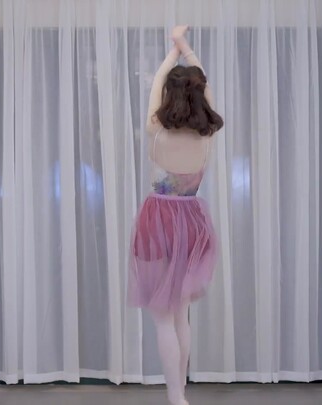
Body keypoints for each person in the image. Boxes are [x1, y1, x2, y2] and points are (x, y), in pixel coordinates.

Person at [127, 25, 224, 405]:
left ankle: (175, 396)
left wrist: (173, 51)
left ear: (170, 93)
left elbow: (157, 84)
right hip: (193, 221)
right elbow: (204, 86)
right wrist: (187, 48)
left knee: (163, 317)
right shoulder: (207, 134)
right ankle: (179, 394)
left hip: (158, 220)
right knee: (180, 315)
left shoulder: (156, 128)